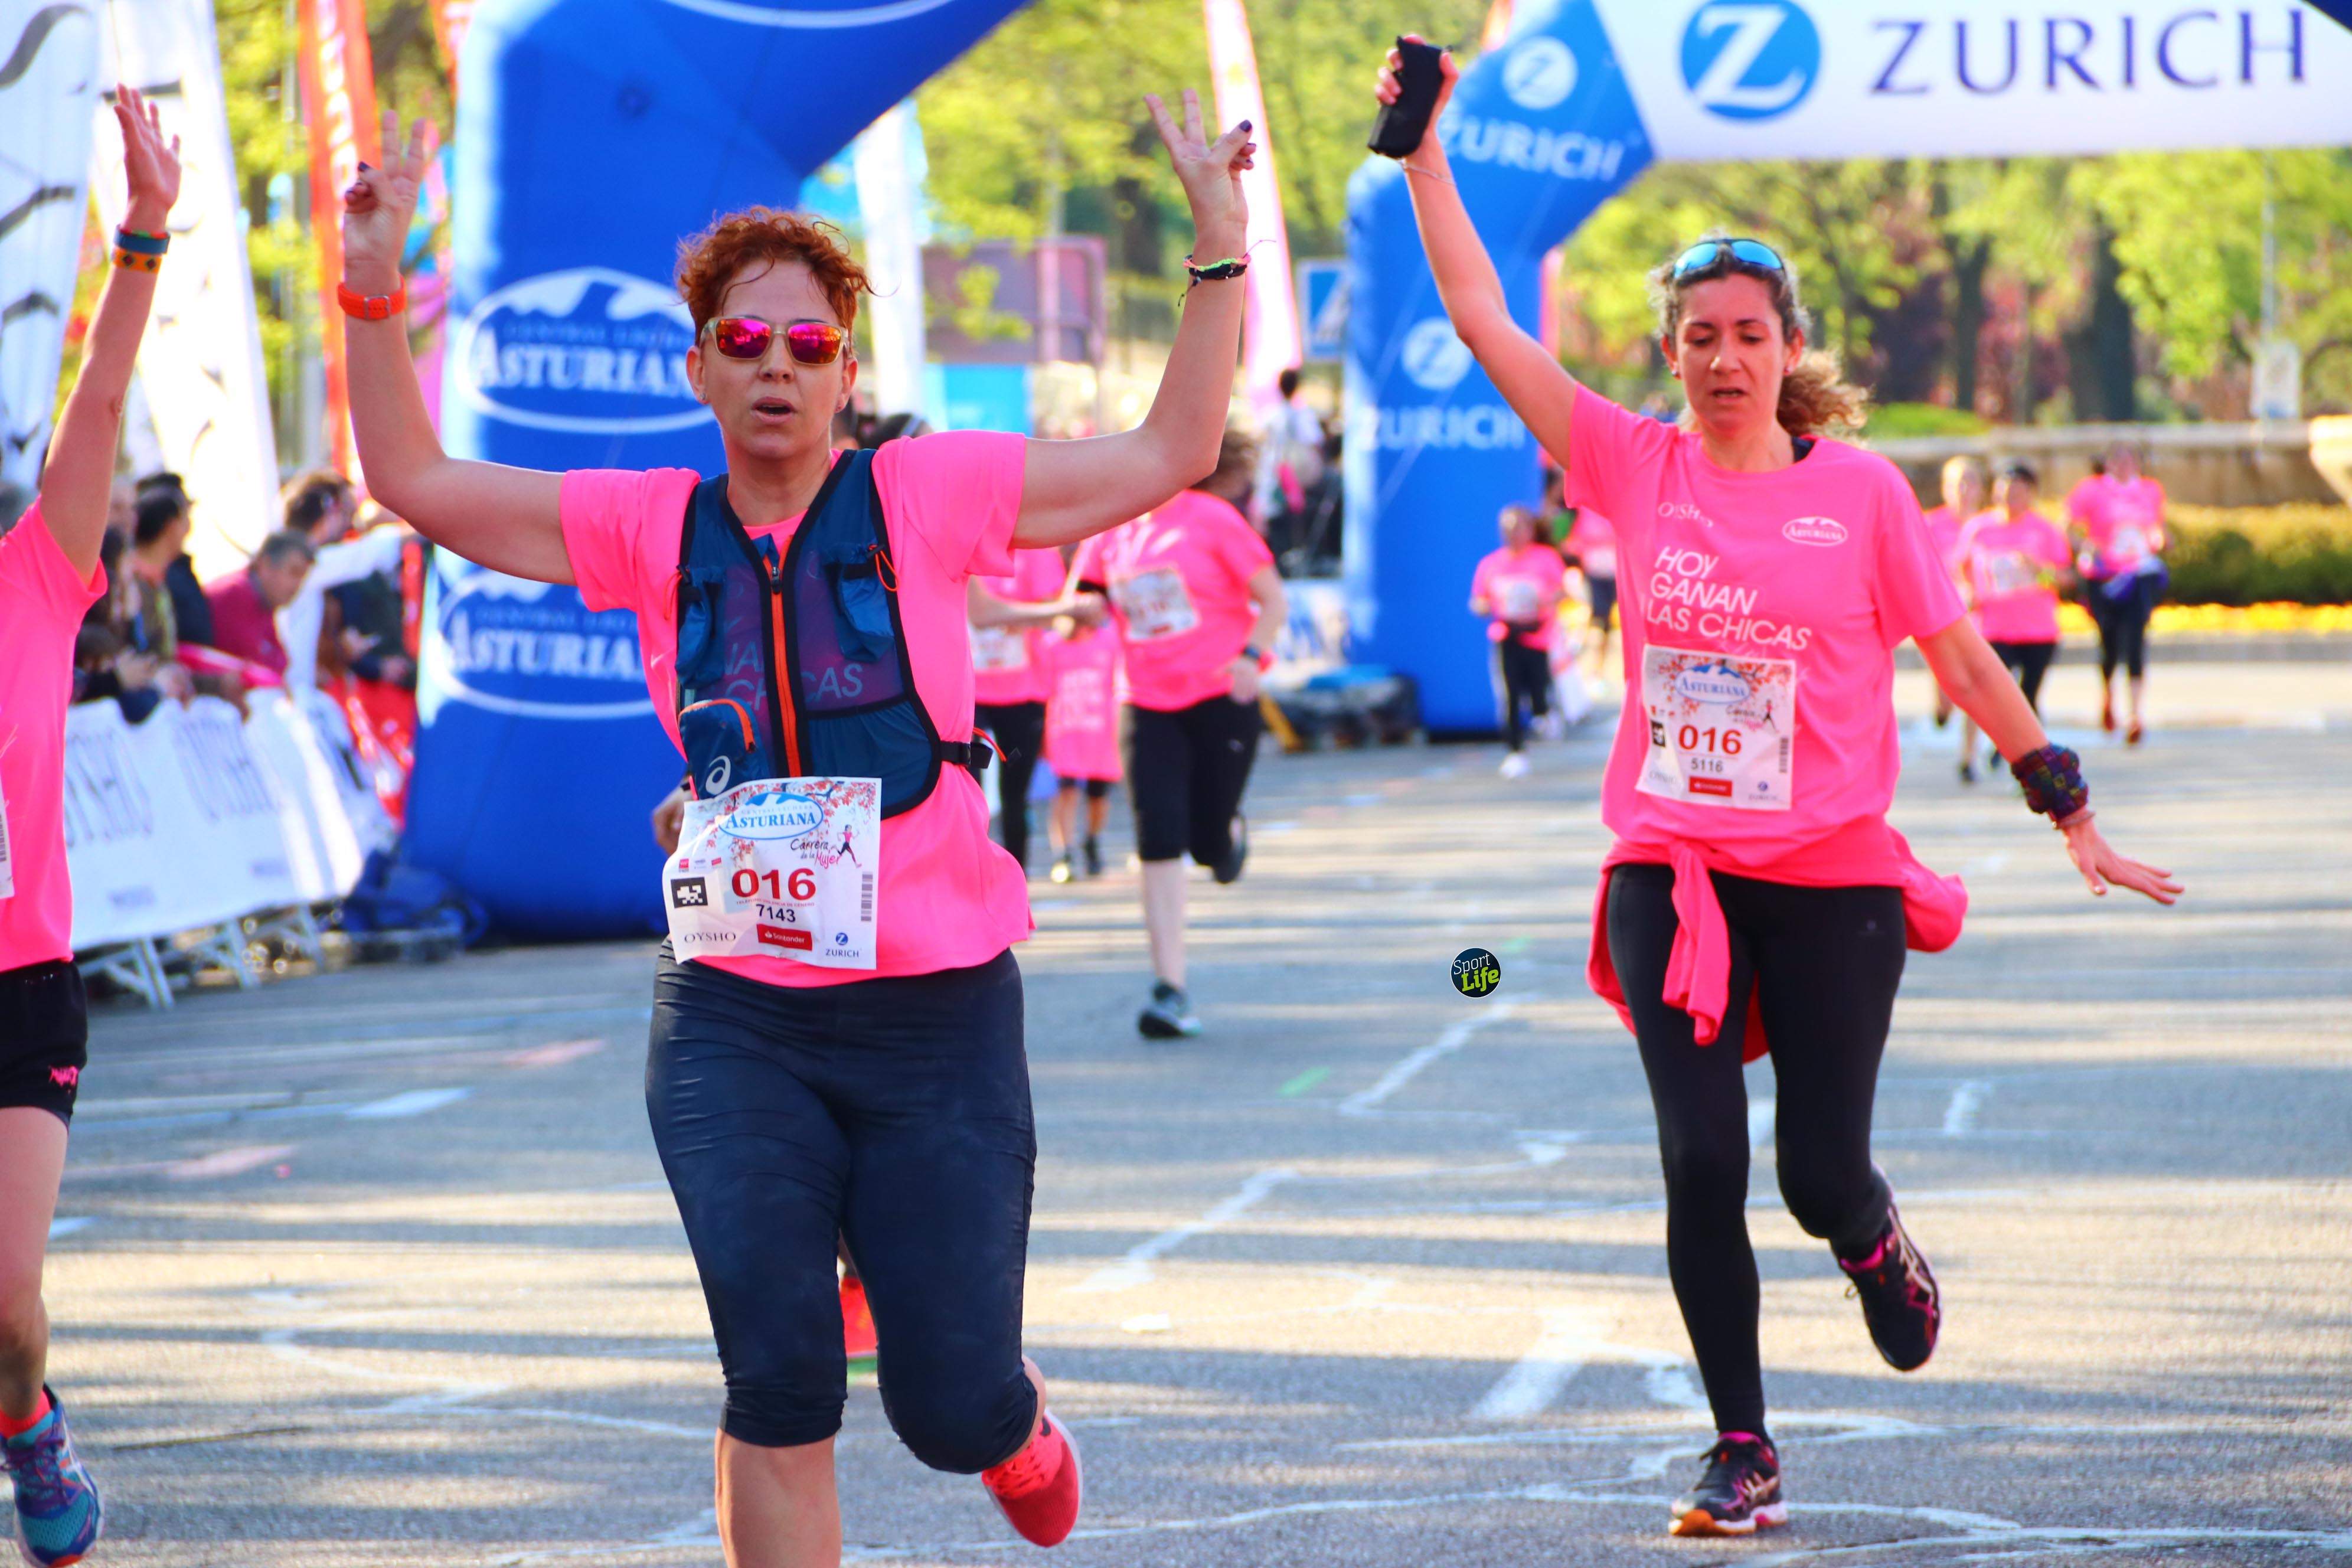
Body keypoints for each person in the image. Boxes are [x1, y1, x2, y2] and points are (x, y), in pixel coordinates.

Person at [340, 90, 1256, 1566]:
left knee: (948, 1405)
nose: (777, 368)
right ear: (697, 364)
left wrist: (1219, 250)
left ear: (848, 370)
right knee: (775, 1377)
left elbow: (1167, 450)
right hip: (734, 1016)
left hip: (932, 1011)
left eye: (809, 345)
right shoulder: (647, 524)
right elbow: (418, 483)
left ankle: (1009, 1421)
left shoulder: (930, 488)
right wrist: (372, 284)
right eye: (747, 343)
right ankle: (821, 1289)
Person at [1378, 41, 2181, 1540]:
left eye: (1748, 332)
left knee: (1815, 1173)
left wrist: (2066, 803)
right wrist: (1424, 155)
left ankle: (1874, 1240)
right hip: (1667, 867)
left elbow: (1958, 655)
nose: (1724, 357)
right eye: (1698, 335)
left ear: (1786, 343)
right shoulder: (1625, 463)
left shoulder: (1862, 494)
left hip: (1830, 870)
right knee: (1699, 1159)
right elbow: (1483, 316)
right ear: (1670, 351)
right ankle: (1741, 1443)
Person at [1, 84, 178, 1568]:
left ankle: (26, 1418)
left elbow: (103, 405)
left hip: (19, 983)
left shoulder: (38, 574)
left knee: (3, 1307)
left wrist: (144, 234)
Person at [1072, 427, 1285, 1040]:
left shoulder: (1213, 519)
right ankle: (1171, 988)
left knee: (1209, 846)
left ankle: (1227, 836)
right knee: (1158, 837)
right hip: (1146, 703)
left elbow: (1272, 602)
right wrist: (1079, 615)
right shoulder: (1109, 532)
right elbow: (1081, 608)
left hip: (1221, 694)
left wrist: (1253, 657)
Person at [1955, 463, 2072, 783]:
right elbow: (1960, 569)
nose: (2011, 497)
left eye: (2019, 492)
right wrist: (1967, 592)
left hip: (2038, 631)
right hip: (1993, 627)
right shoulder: (1979, 528)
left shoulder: (2045, 530)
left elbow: (2062, 579)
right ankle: (1969, 756)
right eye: (2005, 491)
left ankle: (2025, 761)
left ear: (2031, 495)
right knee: (1986, 694)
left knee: (2026, 700)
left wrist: (2039, 569)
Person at [2066, 442, 2167, 744]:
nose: (2124, 465)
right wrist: (2086, 547)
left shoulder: (2150, 490)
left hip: (2136, 574)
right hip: (2103, 575)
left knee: (2136, 636)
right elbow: (2069, 528)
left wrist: (2158, 540)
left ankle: (2136, 713)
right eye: (2118, 460)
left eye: (2130, 459)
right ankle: (2108, 695)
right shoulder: (2092, 490)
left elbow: (2155, 528)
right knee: (2109, 639)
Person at [1469, 502, 1567, 777]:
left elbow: (1562, 590)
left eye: (1518, 527)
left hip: (1537, 635)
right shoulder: (1491, 564)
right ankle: (1515, 751)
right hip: (1506, 634)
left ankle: (1544, 712)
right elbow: (1478, 601)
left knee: (1537, 689)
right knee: (1509, 694)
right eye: (1507, 529)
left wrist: (1544, 599)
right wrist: (1488, 606)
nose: (1513, 534)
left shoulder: (1545, 558)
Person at [1040, 593, 1123, 882]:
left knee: (1098, 797)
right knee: (1067, 792)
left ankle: (1093, 841)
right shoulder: (1053, 645)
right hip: (1065, 732)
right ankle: (1063, 852)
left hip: (1102, 733)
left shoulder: (1110, 642)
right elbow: (1044, 690)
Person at [1920, 455, 1987, 730]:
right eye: (1956, 483)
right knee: (1944, 662)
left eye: (1970, 482)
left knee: (1976, 669)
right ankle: (1943, 700)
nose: (1963, 490)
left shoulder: (1987, 523)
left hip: (1979, 608)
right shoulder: (1930, 523)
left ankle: (1971, 718)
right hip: (1941, 605)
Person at [203, 530, 316, 678]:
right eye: (294, 572)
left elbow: (282, 663)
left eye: (302, 577)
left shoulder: (264, 600)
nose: (298, 585)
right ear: (266, 564)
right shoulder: (235, 595)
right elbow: (254, 667)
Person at [132, 475, 215, 651]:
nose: (189, 528)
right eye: (186, 518)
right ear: (172, 526)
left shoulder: (159, 577)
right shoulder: (134, 580)